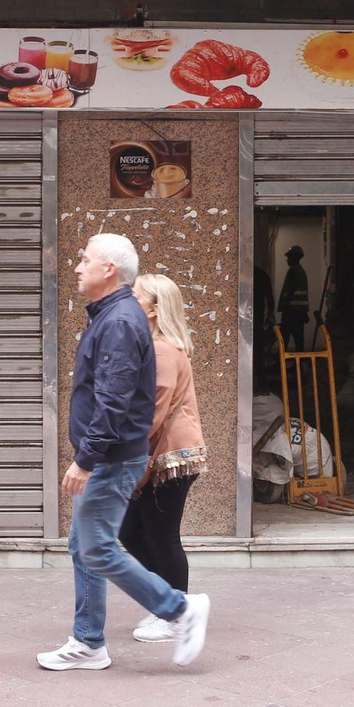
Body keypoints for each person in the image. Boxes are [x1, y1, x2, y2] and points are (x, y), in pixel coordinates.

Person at [37, 233, 211, 672]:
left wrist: (85, 459)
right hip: (111, 454)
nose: (77, 267)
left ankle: (179, 608)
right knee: (85, 546)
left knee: (97, 549)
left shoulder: (118, 322)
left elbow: (113, 402)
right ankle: (89, 642)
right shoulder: (114, 316)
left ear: (109, 269)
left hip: (111, 456)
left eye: (85, 259)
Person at [120, 274, 208, 643]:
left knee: (161, 535)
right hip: (163, 455)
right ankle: (167, 602)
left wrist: (128, 460)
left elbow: (150, 414)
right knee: (131, 531)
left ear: (154, 310)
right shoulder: (157, 347)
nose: (127, 301)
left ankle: (177, 613)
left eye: (135, 296)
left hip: (169, 457)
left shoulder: (161, 351)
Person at [278, 244, 310, 351]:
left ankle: (281, 360)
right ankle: (300, 360)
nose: (287, 260)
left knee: (284, 339)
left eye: (289, 257)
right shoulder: (301, 271)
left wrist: (285, 311)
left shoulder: (293, 271)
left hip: (291, 313)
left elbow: (290, 293)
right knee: (299, 340)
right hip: (299, 313)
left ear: (295, 257)